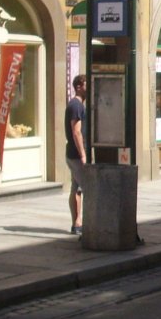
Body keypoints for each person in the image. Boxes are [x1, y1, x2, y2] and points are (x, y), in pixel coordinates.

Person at [65, 74, 89, 234]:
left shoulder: (78, 105)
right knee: (87, 188)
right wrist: (83, 155)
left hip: (73, 154)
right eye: (87, 84)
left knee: (76, 187)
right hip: (76, 155)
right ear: (79, 86)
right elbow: (76, 132)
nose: (89, 87)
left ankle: (77, 224)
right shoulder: (76, 105)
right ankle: (80, 223)